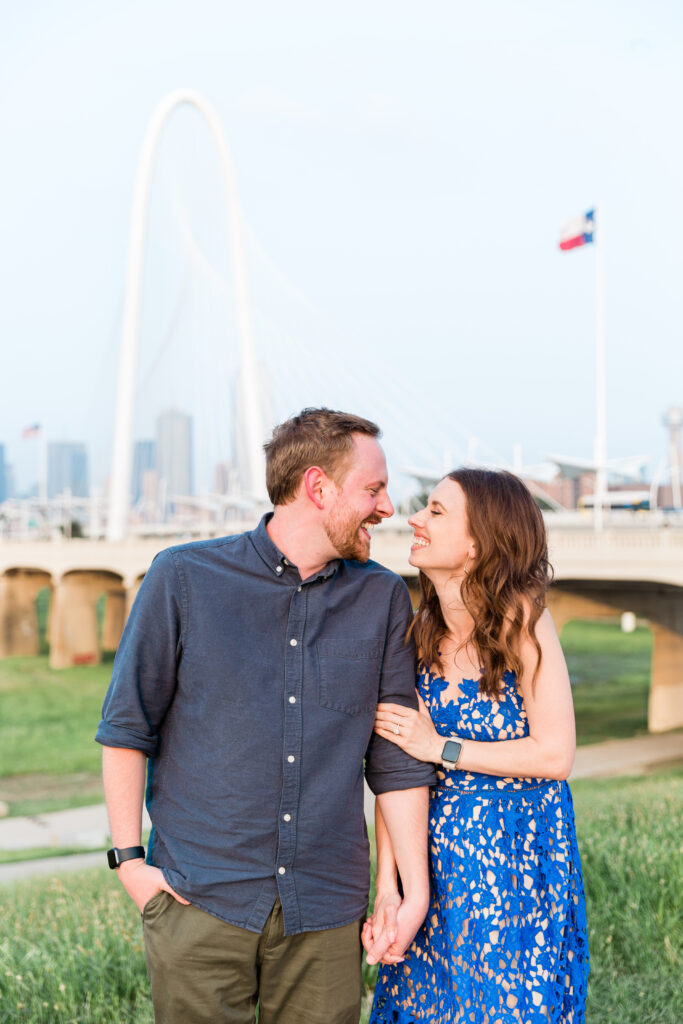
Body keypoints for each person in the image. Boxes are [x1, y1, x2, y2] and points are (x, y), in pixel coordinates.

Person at [95, 408, 435, 1024]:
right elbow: (126, 728)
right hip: (197, 901)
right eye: (374, 488)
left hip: (326, 916)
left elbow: (394, 762)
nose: (389, 508)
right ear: (318, 487)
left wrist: (408, 892)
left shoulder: (383, 596)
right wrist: (130, 864)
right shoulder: (183, 578)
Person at [364, 468, 589, 1024]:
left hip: (517, 867)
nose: (414, 518)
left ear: (477, 543)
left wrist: (441, 746)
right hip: (433, 868)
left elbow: (555, 755)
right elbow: (395, 768)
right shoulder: (413, 635)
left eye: (436, 512)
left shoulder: (525, 625)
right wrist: (387, 890)